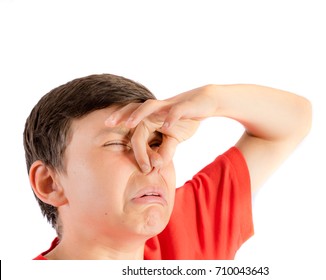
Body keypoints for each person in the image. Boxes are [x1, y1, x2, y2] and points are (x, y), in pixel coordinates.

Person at [24, 73, 311, 260]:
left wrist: (214, 99)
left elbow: (292, 122)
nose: (153, 162)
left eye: (156, 142)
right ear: (50, 183)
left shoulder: (189, 227)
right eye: (119, 144)